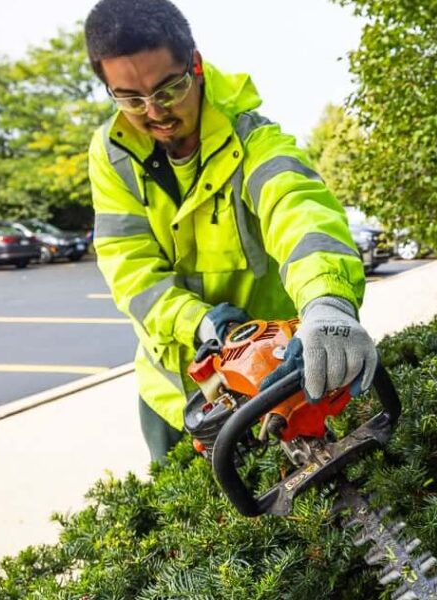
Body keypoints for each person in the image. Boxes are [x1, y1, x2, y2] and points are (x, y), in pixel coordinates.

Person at [84, 0, 375, 463]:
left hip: (276, 379)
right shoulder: (112, 155)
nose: (154, 112)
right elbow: (128, 266)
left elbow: (300, 211)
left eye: (169, 89)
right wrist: (197, 323)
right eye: (130, 99)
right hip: (175, 393)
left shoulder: (252, 139)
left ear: (194, 65)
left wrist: (328, 301)